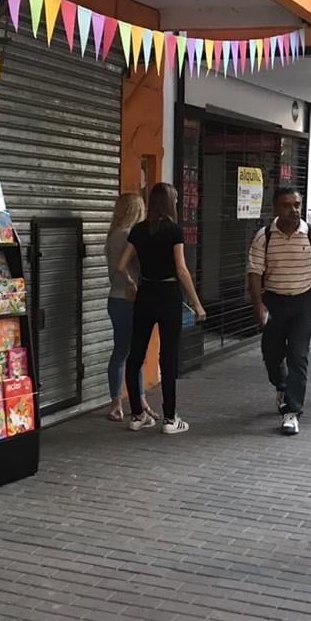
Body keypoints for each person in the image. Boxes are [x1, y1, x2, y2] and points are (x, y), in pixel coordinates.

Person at [116, 183, 206, 434]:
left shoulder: (138, 230)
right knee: (167, 357)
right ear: (168, 203)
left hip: (146, 294)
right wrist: (197, 303)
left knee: (135, 356)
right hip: (168, 295)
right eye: (175, 199)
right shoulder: (174, 231)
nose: (177, 203)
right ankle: (169, 419)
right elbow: (181, 269)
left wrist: (133, 284)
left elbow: (122, 265)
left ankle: (136, 415)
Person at [247, 187, 311, 436]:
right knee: (272, 355)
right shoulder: (264, 236)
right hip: (274, 301)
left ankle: (292, 411)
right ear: (276, 208)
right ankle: (282, 386)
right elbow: (254, 273)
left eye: (297, 205)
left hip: (304, 302)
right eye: (287, 205)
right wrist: (259, 305)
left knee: (298, 356)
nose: (293, 210)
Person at [104, 193, 154, 422]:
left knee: (129, 352)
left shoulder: (114, 234)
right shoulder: (125, 236)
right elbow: (125, 266)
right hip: (125, 297)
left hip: (119, 298)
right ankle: (123, 401)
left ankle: (132, 400)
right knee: (127, 352)